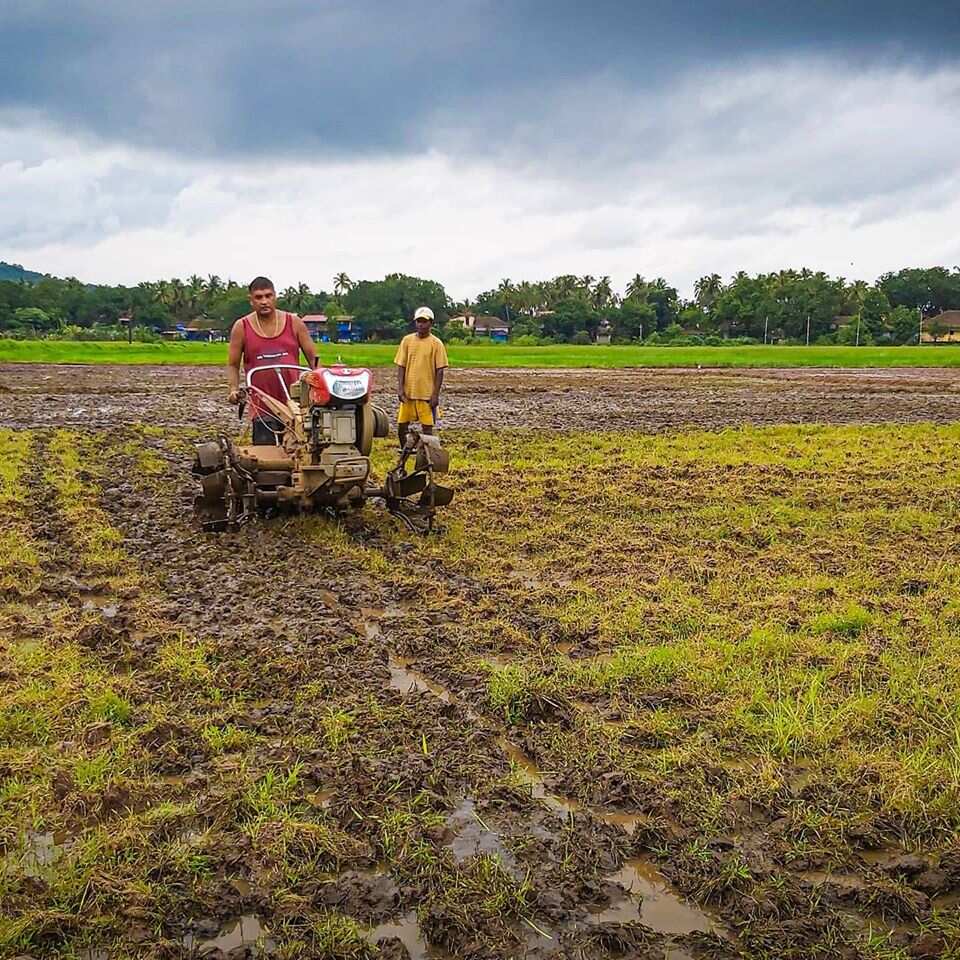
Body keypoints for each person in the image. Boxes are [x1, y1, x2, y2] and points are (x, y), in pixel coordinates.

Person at [227, 276, 318, 444]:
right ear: (251, 300)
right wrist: (233, 389)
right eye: (259, 297)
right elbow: (233, 365)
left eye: (268, 296)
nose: (264, 301)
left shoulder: (294, 322)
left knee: (301, 450)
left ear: (275, 296)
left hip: (295, 403)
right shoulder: (242, 327)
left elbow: (314, 360)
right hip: (262, 404)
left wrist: (320, 386)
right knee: (265, 454)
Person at [394, 306, 448, 444]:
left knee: (427, 429)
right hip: (408, 394)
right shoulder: (407, 341)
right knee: (402, 426)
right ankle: (404, 452)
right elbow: (401, 366)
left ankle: (426, 456)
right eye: (419, 321)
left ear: (431, 323)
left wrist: (435, 395)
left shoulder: (436, 344)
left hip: (426, 395)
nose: (421, 324)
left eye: (424, 321)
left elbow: (440, 370)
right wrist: (400, 389)